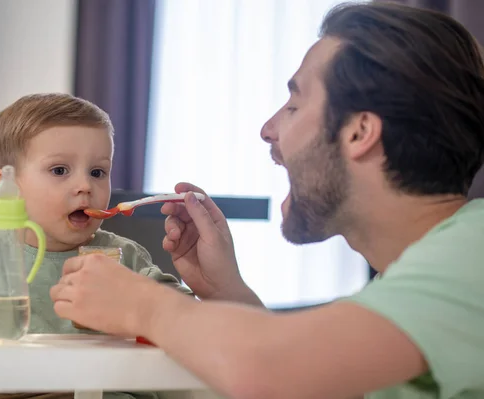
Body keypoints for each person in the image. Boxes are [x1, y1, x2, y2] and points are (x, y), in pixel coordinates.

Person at [49, 3, 484, 399]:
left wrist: (142, 306)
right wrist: (227, 292)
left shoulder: (473, 252)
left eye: (294, 105)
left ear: (359, 132)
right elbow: (310, 383)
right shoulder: (431, 281)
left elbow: (270, 370)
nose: (268, 129)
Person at [0, 93, 190, 399]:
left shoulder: (126, 261)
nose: (85, 185)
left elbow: (189, 319)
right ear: (8, 187)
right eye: (60, 170)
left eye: (98, 172)